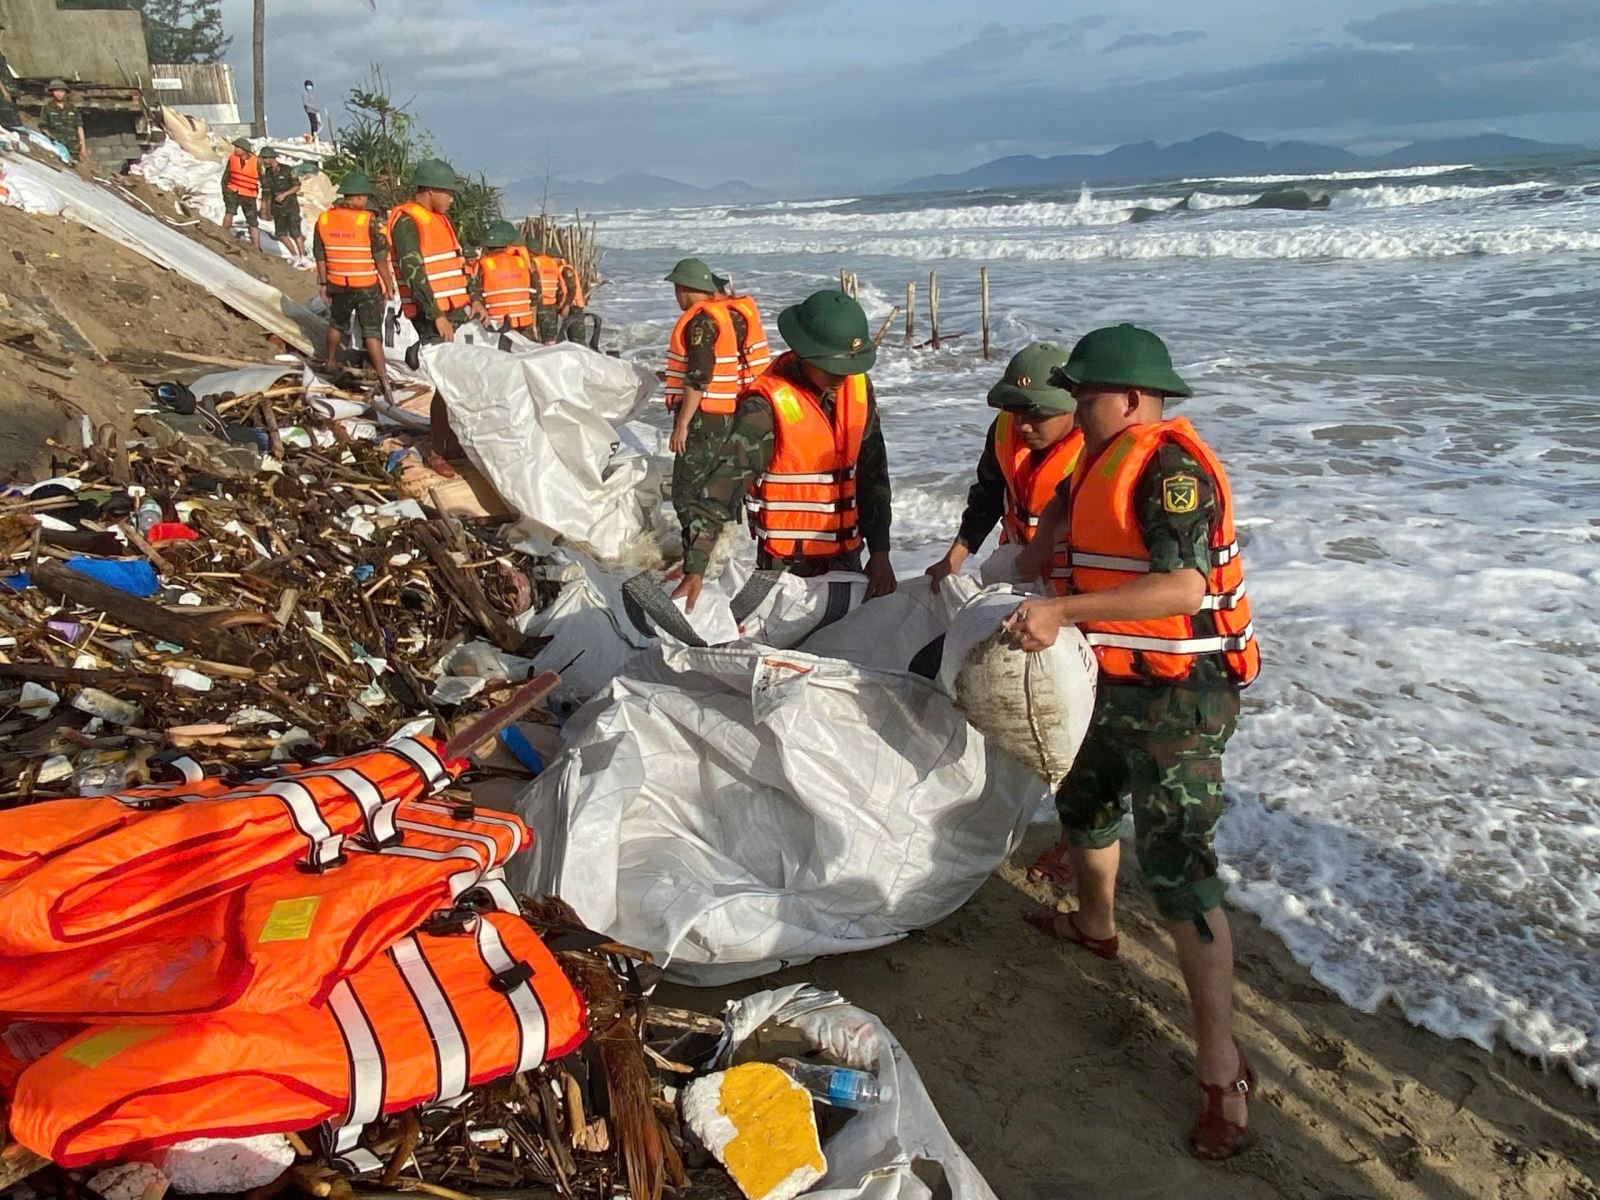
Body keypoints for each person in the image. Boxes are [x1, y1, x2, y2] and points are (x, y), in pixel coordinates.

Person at [1006, 324, 1261, 1162]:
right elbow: (1065, 556)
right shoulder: (1091, 462)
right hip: (1110, 682)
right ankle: (1096, 924)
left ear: (1131, 398)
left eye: (1084, 397)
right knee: (1082, 801)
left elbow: (1184, 587)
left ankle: (1222, 1072)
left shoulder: (1171, 469)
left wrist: (1060, 612)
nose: (1072, 408)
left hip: (1182, 700)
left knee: (1180, 866)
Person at [670, 289, 895, 610]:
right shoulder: (764, 406)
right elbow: (722, 487)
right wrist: (695, 568)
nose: (840, 378)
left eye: (847, 368)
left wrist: (881, 552)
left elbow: (874, 474)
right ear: (803, 353)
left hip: (846, 559)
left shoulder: (857, 387)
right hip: (786, 568)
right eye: (831, 368)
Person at [924, 340, 1081, 592]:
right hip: (1015, 565)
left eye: (1037, 416)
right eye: (1016, 412)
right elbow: (987, 498)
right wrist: (953, 560)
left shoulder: (1095, 446)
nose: (1024, 426)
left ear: (1072, 406)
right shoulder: (1004, 429)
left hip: (1074, 582)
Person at [386, 158, 489, 472]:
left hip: (452, 309)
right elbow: (414, 273)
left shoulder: (439, 220)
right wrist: (436, 316)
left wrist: (473, 299)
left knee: (458, 379)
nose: (451, 199)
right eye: (447, 192)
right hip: (432, 314)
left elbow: (455, 266)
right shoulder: (408, 222)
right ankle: (437, 452)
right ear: (429, 190)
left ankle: (451, 441)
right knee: (445, 383)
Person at [661, 257, 771, 548]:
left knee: (688, 492)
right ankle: (719, 547)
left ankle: (695, 557)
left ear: (685, 289)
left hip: (703, 418)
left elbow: (699, 377)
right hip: (733, 411)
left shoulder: (701, 321)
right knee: (718, 483)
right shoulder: (733, 314)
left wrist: (681, 425)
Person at [314, 171, 395, 378]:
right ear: (358, 196)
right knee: (371, 330)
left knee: (337, 322)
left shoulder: (323, 220)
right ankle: (382, 373)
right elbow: (380, 259)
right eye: (365, 196)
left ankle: (330, 360)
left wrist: (323, 283)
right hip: (366, 284)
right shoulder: (368, 221)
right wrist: (388, 285)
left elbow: (320, 256)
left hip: (338, 283)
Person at [475, 220, 536, 333]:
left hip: (496, 327)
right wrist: (534, 326)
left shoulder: (484, 265)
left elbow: (475, 295)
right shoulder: (522, 262)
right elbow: (534, 296)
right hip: (524, 324)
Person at [259, 147, 305, 262]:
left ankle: (303, 256)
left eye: (265, 158)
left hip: (291, 206)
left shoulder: (287, 170)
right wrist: (265, 206)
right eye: (263, 158)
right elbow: (267, 191)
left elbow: (297, 186)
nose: (264, 161)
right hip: (277, 209)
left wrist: (285, 194)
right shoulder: (267, 174)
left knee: (296, 233)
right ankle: (295, 256)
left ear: (271, 158)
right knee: (281, 233)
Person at [220, 137, 262, 251]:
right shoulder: (232, 158)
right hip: (233, 191)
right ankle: (223, 235)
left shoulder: (256, 161)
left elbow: (263, 178)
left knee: (252, 221)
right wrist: (225, 190)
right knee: (229, 212)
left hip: (249, 195)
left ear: (245, 149)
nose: (235, 149)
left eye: (238, 147)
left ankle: (256, 247)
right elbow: (226, 176)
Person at [38, 80, 86, 162]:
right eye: (56, 91)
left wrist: (83, 147)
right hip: (57, 148)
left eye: (61, 91)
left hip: (73, 148)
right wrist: (52, 138)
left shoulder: (72, 108)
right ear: (52, 92)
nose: (59, 94)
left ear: (65, 93)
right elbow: (43, 126)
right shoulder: (47, 108)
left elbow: (79, 127)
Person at [528, 249, 569, 345]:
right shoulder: (554, 265)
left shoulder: (534, 262)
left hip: (537, 304)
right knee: (551, 339)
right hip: (551, 304)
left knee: (536, 338)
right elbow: (561, 287)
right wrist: (562, 304)